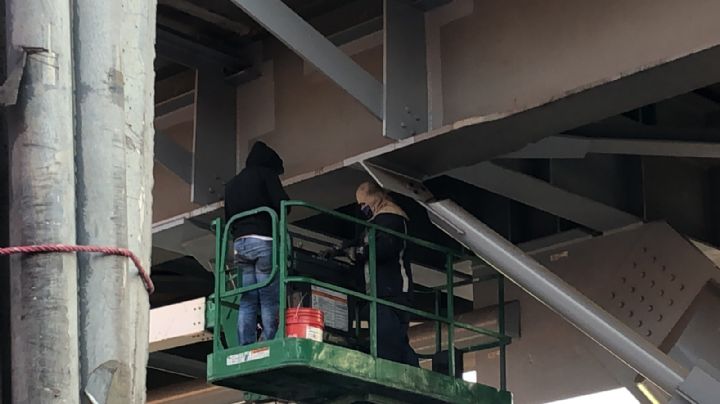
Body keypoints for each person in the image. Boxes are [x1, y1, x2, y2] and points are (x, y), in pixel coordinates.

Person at [224, 141, 289, 345]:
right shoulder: (266, 175)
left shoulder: (232, 184)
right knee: (269, 297)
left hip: (240, 244)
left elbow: (227, 218)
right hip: (263, 240)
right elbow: (283, 205)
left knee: (248, 297)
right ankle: (271, 340)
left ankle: (246, 343)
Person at [351, 181, 419, 366]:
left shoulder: (392, 218)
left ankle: (410, 373)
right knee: (392, 341)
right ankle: (412, 372)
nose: (363, 209)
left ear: (375, 198)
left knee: (388, 345)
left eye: (364, 204)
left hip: (392, 292)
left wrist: (358, 252)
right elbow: (362, 243)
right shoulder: (377, 221)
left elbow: (384, 248)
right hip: (380, 293)